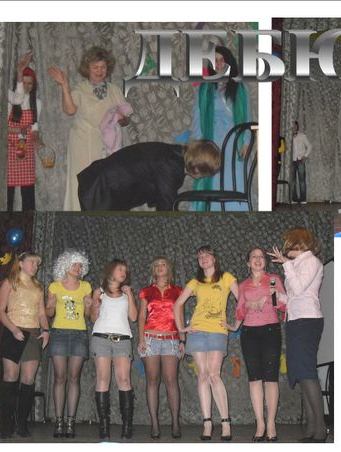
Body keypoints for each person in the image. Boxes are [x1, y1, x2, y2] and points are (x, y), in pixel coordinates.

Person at [49, 46, 132, 211]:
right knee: (83, 184)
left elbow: (126, 121)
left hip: (108, 146)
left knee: (107, 184)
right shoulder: (80, 89)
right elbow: (70, 110)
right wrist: (65, 86)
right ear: (87, 68)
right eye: (95, 67)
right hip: (83, 144)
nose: (99, 71)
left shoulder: (114, 90)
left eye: (103, 67)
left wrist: (121, 118)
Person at [173, 245, 239, 441]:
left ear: (214, 258)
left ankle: (225, 423)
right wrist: (181, 328)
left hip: (217, 331)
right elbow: (178, 303)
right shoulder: (195, 282)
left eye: (207, 255)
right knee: (202, 375)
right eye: (200, 256)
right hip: (197, 331)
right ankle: (207, 423)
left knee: (214, 375)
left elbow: (242, 300)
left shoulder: (226, 277)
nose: (203, 258)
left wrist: (235, 325)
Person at [267, 228, 326, 442]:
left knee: (307, 372)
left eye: (287, 244)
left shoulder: (311, 262)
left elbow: (299, 288)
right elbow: (294, 296)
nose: (284, 249)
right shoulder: (298, 264)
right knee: (302, 374)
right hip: (297, 320)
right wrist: (278, 296)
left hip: (307, 321)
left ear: (297, 243)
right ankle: (311, 430)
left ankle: (320, 431)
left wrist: (286, 264)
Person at [223, 247, 287, 442]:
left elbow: (283, 306)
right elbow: (239, 311)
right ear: (248, 263)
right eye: (254, 257)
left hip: (270, 330)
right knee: (255, 378)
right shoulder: (243, 285)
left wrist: (274, 296)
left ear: (265, 262)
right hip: (249, 333)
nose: (258, 259)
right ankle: (260, 423)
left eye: (261, 257)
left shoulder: (274, 279)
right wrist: (247, 307)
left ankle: (271, 424)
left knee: (271, 378)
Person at [76, 140, 221, 211]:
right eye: (206, 174)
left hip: (102, 187)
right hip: (100, 191)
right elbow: (166, 206)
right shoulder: (171, 165)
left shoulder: (173, 155)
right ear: (197, 168)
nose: (204, 177)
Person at [191, 45, 251, 211]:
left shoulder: (240, 88)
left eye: (222, 60)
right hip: (211, 142)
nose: (218, 64)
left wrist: (246, 141)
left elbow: (247, 117)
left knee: (234, 179)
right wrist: (199, 146)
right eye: (215, 61)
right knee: (212, 179)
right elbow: (197, 119)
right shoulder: (204, 89)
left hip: (235, 142)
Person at [0, 252, 50, 438]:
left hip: (33, 334)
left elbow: (41, 313)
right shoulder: (9, 282)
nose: (35, 266)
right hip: (13, 332)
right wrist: (13, 329)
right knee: (10, 376)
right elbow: (0, 311)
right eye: (31, 262)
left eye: (37, 263)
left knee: (28, 379)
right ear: (20, 263)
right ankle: (7, 424)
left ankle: (22, 423)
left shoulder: (38, 287)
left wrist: (46, 330)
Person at [45, 250, 92, 438]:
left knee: (74, 378)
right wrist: (50, 305)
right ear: (65, 265)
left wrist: (88, 306)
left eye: (81, 265)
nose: (78, 268)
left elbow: (87, 316)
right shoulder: (54, 286)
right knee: (59, 377)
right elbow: (49, 314)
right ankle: (59, 422)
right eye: (75, 264)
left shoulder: (86, 286)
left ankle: (70, 422)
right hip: (59, 334)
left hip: (79, 334)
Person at [138, 257, 185, 439]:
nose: (159, 267)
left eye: (162, 264)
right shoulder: (146, 291)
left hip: (171, 339)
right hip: (150, 339)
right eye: (156, 265)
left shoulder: (178, 291)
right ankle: (154, 423)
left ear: (169, 268)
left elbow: (180, 317)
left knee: (171, 380)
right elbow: (142, 317)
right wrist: (141, 339)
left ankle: (175, 423)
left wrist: (182, 341)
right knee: (152, 380)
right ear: (153, 270)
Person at [90, 259, 138, 440]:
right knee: (103, 379)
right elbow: (93, 318)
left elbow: (133, 317)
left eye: (125, 270)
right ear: (110, 271)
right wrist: (95, 306)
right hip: (101, 338)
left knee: (124, 380)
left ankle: (127, 425)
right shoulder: (99, 292)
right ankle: (104, 426)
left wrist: (130, 295)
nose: (123, 272)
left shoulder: (127, 294)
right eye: (120, 269)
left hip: (123, 339)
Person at [7, 52, 43, 211]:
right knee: (7, 193)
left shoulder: (37, 103)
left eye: (30, 83)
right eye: (24, 82)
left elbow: (34, 128)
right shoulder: (11, 99)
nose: (27, 86)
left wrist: (38, 140)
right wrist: (17, 130)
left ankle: (28, 218)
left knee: (28, 192)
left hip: (26, 150)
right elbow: (3, 129)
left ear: (34, 84)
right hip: (10, 149)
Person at [291, 121, 312, 204]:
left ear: (297, 126)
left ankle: (303, 199)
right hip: (292, 160)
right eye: (293, 126)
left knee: (302, 180)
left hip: (300, 160)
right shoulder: (289, 137)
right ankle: (294, 199)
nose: (294, 127)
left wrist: (305, 156)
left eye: (295, 125)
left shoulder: (302, 136)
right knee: (293, 181)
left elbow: (309, 146)